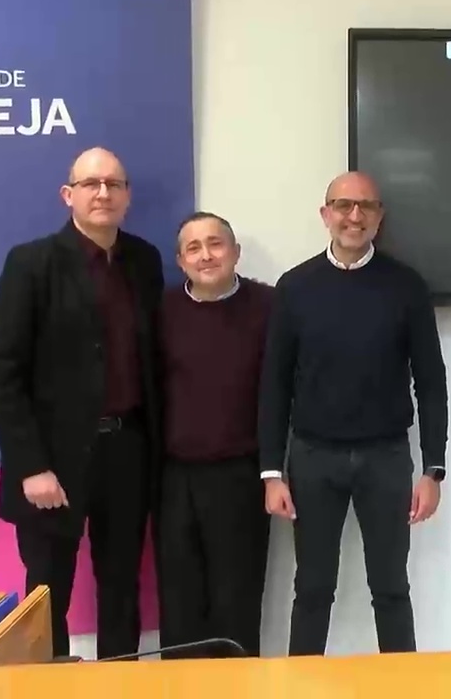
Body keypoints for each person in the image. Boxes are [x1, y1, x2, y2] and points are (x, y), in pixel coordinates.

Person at [0, 147, 164, 658]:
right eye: (90, 184)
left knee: (122, 587)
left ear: (127, 196)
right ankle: (51, 685)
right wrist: (31, 466)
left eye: (113, 184)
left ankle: (120, 683)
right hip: (52, 463)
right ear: (69, 196)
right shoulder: (31, 264)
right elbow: (2, 373)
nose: (102, 193)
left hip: (128, 450)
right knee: (46, 593)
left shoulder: (145, 261)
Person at [258, 170, 449, 656]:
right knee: (313, 590)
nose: (354, 216)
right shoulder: (294, 287)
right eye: (343, 205)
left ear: (379, 218)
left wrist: (433, 469)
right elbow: (274, 384)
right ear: (326, 215)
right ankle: (303, 689)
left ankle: (403, 690)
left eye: (366, 207)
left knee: (391, 589)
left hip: (385, 459)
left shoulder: (406, 286)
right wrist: (272, 472)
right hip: (312, 457)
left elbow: (430, 382)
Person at [156, 212, 273, 657]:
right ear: (180, 261)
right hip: (174, 478)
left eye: (216, 244)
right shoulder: (161, 311)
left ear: (235, 252)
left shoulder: (269, 306)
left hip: (242, 475)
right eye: (193, 248)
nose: (206, 255)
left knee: (237, 601)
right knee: (180, 604)